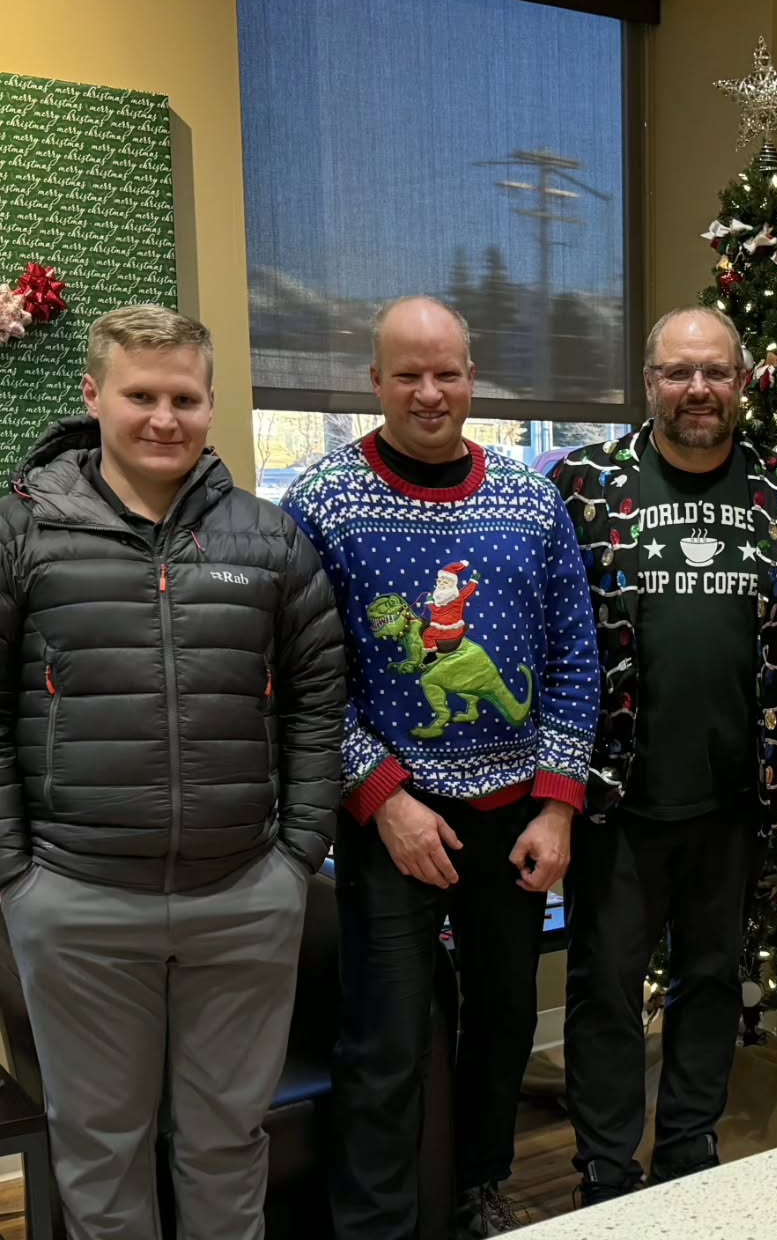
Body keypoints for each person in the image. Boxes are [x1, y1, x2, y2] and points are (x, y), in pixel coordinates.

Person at [0, 304, 345, 1240]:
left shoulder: (268, 541)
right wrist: (17, 878)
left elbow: (319, 701)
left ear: (211, 403)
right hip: (75, 902)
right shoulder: (22, 535)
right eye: (140, 395)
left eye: (184, 398)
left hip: (242, 900)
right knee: (102, 1155)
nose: (164, 418)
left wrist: (294, 857)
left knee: (228, 1146)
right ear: (93, 397)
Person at [282, 296, 599, 1239]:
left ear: (472, 378)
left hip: (516, 820)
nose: (430, 392)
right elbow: (299, 674)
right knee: (386, 1036)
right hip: (389, 822)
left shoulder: (528, 499)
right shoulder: (322, 501)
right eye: (408, 375)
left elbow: (576, 658)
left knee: (502, 1021)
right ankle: (374, 1222)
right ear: (374, 382)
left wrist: (557, 809)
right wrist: (382, 800)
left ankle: (477, 1189)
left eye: (448, 373)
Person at [551, 305, 777, 1204]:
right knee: (604, 988)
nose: (697, 389)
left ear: (742, 382)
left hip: (736, 796)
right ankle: (603, 1164)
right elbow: (552, 633)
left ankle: (688, 1150)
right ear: (649, 382)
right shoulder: (587, 484)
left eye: (716, 372)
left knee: (712, 981)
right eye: (678, 372)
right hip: (614, 794)